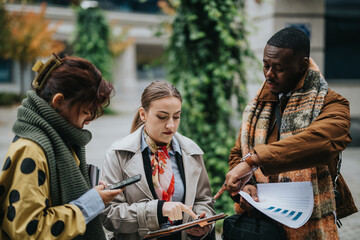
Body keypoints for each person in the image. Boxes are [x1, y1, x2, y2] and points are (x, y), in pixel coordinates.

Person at [214, 27, 357, 239]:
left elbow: (322, 143)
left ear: (302, 65)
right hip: (261, 225)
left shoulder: (333, 104)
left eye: (278, 68)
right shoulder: (256, 106)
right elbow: (238, 153)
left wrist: (253, 161)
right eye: (266, 65)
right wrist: (246, 188)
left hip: (308, 223)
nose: (269, 74)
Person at [0, 54, 124, 239]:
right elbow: (27, 231)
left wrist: (90, 193)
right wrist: (90, 203)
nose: (88, 121)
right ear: (59, 102)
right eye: (85, 112)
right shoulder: (32, 150)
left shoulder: (61, 140)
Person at [100, 81, 216, 240]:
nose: (171, 125)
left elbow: (204, 200)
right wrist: (158, 210)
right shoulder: (118, 154)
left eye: (176, 117)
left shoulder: (191, 151)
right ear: (143, 114)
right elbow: (109, 215)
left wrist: (202, 221)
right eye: (162, 117)